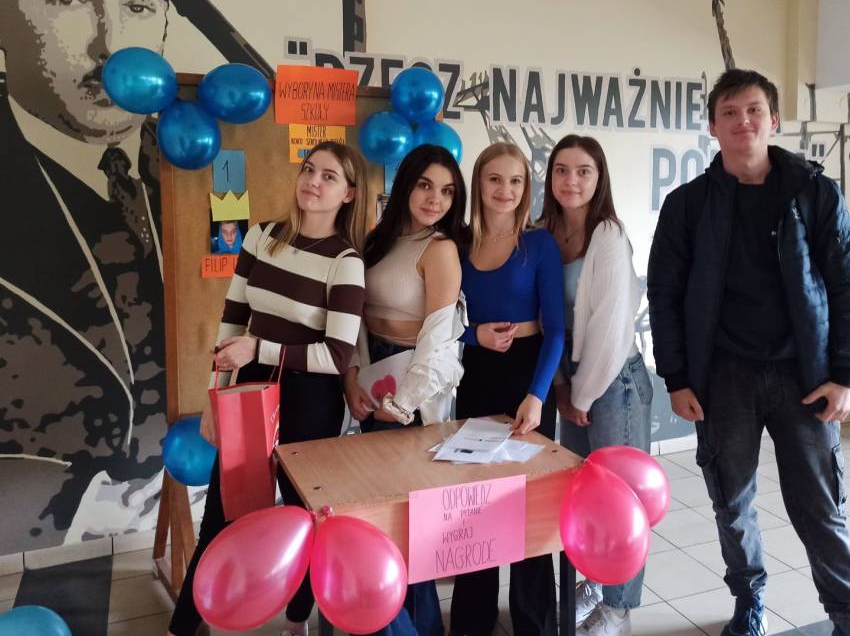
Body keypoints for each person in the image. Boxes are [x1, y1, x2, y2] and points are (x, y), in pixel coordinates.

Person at [0, 0, 173, 557]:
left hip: (187, 526)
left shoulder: (204, 166)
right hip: (9, 558)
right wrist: (66, 502)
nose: (112, 46)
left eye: (138, 5)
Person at [647, 68, 850, 636]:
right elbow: (665, 295)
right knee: (732, 502)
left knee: (820, 507)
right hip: (723, 377)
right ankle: (749, 600)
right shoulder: (688, 205)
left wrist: (848, 373)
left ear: (773, 120)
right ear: (712, 126)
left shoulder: (814, 193)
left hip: (808, 374)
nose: (742, 121)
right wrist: (676, 376)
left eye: (753, 110)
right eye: (729, 112)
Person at [169, 141, 368, 636]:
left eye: (329, 177)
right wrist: (215, 396)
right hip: (250, 389)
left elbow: (336, 356)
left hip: (312, 400)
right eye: (309, 169)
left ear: (348, 194)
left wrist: (260, 348)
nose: (313, 181)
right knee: (222, 514)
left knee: (303, 519)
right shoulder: (261, 236)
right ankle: (182, 626)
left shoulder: (345, 262)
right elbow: (231, 320)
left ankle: (297, 622)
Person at [344, 144, 468, 636]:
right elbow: (355, 314)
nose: (435, 199)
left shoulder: (440, 249)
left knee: (410, 527)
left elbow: (438, 342)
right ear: (405, 186)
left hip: (412, 397)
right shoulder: (378, 240)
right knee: (381, 520)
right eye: (425, 185)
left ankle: (419, 627)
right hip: (372, 385)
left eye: (447, 191)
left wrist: (403, 404)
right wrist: (353, 377)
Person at [449, 142, 564, 636]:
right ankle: (472, 620)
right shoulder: (456, 244)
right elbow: (440, 321)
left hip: (527, 378)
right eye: (495, 179)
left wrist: (537, 394)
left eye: (516, 181)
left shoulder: (539, 245)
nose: (506, 190)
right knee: (475, 503)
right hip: (475, 375)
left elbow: (556, 330)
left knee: (529, 506)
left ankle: (534, 623)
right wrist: (473, 335)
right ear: (478, 184)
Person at [540, 134, 652, 636]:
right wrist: (563, 386)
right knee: (584, 499)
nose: (572, 181)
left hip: (614, 383)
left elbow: (609, 328)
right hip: (573, 382)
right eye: (562, 170)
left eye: (584, 171)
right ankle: (594, 582)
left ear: (599, 177)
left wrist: (580, 395)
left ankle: (619, 608)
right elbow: (548, 319)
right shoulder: (544, 232)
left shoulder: (608, 235)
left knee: (621, 502)